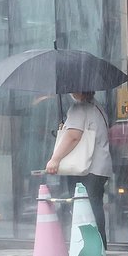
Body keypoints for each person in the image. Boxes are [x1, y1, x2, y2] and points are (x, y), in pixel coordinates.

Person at [44, 92, 112, 244]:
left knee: (85, 207)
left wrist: (55, 159)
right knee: (95, 206)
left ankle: (90, 246)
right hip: (100, 166)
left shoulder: (78, 109)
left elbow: (73, 136)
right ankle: (99, 245)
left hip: (87, 167)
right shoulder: (97, 107)